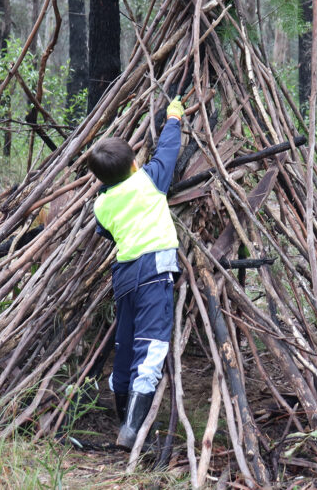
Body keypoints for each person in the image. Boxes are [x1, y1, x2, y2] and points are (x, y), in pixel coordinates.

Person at [88, 95, 187, 450]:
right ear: (134, 164)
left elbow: (107, 231)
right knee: (153, 344)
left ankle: (121, 420)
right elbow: (168, 152)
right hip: (155, 270)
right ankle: (132, 429)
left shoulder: (100, 205)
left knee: (125, 344)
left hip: (124, 276)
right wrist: (173, 117)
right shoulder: (148, 180)